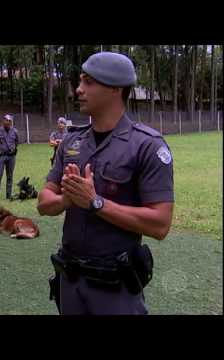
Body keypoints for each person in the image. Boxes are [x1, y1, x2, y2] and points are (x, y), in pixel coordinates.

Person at [37, 52, 174, 315]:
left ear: (115, 89)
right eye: (80, 81)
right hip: (71, 281)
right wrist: (67, 199)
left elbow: (160, 224)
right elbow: (44, 203)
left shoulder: (147, 145)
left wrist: (95, 202)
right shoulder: (71, 142)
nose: (78, 89)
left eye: (88, 82)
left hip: (115, 288)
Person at [0, 114, 19, 201]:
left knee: (10, 176)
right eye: (6, 120)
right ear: (3, 121)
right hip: (1, 156)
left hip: (11, 157)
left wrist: (13, 149)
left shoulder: (15, 131)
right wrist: (0, 150)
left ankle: (8, 194)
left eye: (9, 121)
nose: (8, 122)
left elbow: (16, 142)